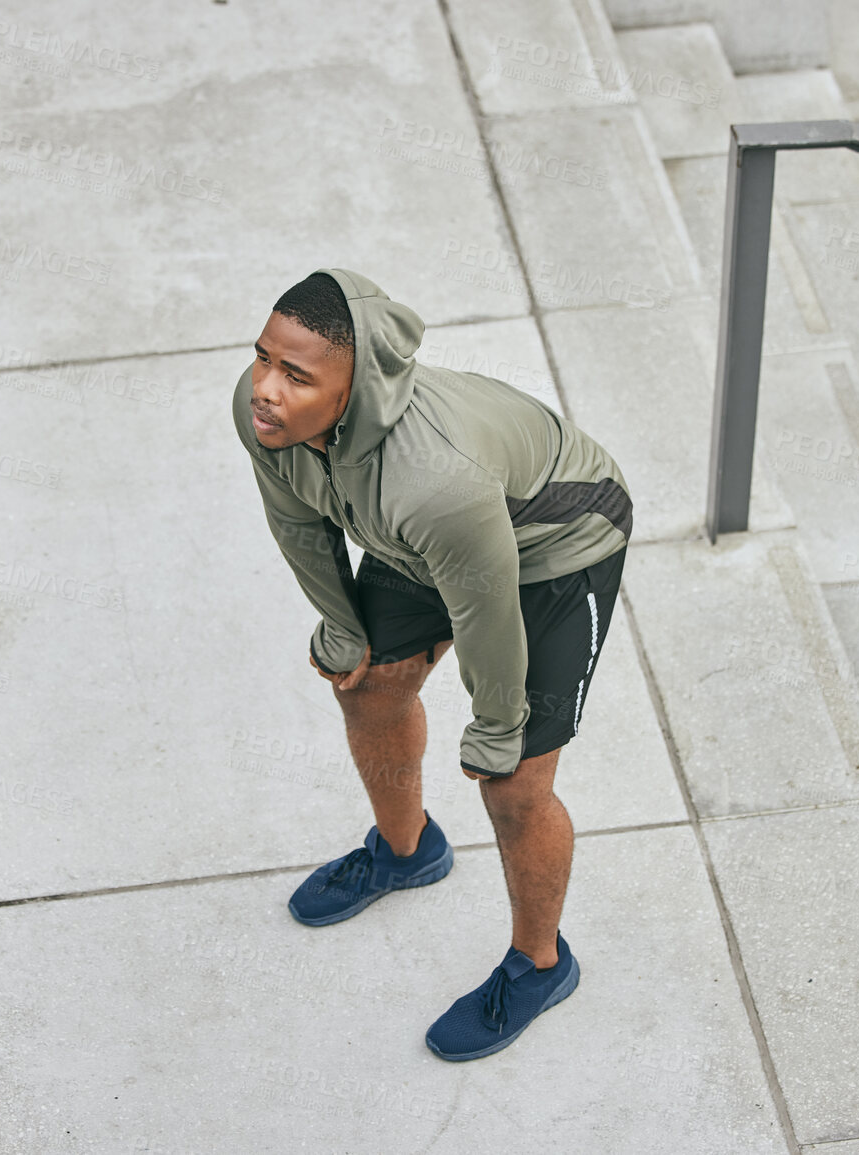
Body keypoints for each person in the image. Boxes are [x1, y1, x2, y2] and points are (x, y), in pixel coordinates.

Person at [230, 268, 633, 1061]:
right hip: (429, 539)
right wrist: (343, 631)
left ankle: (540, 964)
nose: (265, 388)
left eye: (297, 374)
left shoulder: (431, 479)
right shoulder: (266, 421)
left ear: (361, 384)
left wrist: (495, 729)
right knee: (368, 684)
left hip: (557, 541)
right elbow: (300, 530)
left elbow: (484, 605)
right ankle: (408, 849)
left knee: (513, 780)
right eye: (263, 359)